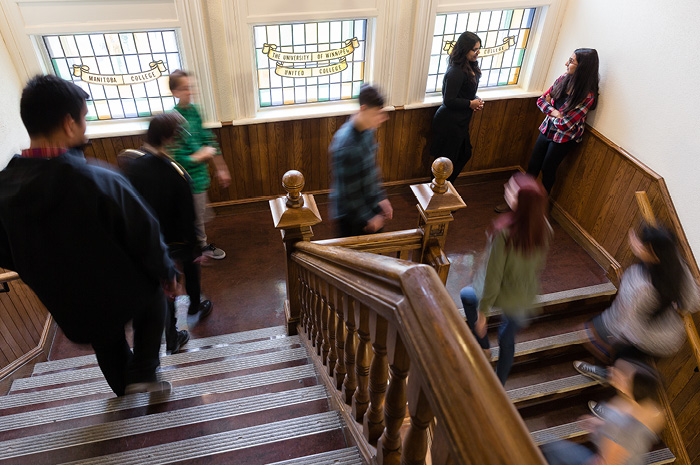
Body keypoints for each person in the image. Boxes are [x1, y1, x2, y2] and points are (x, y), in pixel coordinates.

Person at [0, 75, 176, 396]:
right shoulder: (96, 178)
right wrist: (166, 271)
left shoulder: (3, 188)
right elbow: (144, 232)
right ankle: (145, 372)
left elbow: (5, 250)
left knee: (105, 338)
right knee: (153, 296)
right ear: (69, 123)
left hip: (71, 306)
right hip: (122, 290)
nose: (85, 129)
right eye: (83, 120)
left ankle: (124, 386)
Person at [121, 113, 215, 354]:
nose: (179, 139)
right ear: (167, 138)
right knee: (186, 272)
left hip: (148, 241)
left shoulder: (133, 167)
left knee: (163, 284)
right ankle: (194, 306)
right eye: (177, 135)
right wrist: (196, 248)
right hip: (177, 239)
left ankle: (172, 335)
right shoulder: (175, 173)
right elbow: (187, 216)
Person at [574, 225, 699, 383]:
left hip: (643, 337)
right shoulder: (678, 267)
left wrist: (597, 334)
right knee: (627, 366)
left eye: (640, 242)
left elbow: (622, 320)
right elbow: (693, 303)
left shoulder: (640, 284)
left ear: (653, 254)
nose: (634, 241)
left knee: (621, 363)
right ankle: (610, 377)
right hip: (670, 338)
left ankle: (609, 383)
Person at [460, 173, 551, 385]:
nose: (505, 188)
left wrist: (483, 313)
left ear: (521, 202)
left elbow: (493, 278)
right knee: (507, 339)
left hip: (504, 292)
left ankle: (483, 346)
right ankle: (499, 384)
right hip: (524, 296)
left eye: (511, 189)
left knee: (466, 295)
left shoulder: (504, 232)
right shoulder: (544, 227)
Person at [496, 48, 599, 212]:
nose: (566, 63)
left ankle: (537, 212)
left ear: (583, 68)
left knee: (548, 170)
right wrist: (554, 112)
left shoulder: (587, 96)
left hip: (565, 137)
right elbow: (541, 101)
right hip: (548, 128)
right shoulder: (563, 79)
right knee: (532, 166)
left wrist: (551, 110)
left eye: (572, 61)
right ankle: (516, 204)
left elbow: (565, 125)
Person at [542, 358, 665, 465]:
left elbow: (607, 462)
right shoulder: (652, 410)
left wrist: (606, 430)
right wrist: (600, 426)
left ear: (629, 387)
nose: (612, 370)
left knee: (547, 444)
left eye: (622, 374)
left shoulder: (618, 422)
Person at [169, 69, 231, 259]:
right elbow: (175, 157)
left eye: (191, 87)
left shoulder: (195, 111)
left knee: (199, 215)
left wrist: (221, 168)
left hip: (201, 177)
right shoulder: (172, 118)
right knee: (195, 218)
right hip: (186, 179)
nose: (190, 92)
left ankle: (197, 247)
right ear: (175, 92)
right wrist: (199, 156)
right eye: (184, 88)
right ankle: (199, 249)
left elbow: (208, 139)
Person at [329, 84, 393, 237]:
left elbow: (371, 169)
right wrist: (368, 217)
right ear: (363, 109)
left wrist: (381, 197)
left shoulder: (367, 130)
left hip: (368, 205)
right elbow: (350, 192)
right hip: (351, 216)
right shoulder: (346, 145)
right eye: (377, 113)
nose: (383, 118)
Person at [430, 31, 484, 184]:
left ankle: (446, 186)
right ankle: (436, 192)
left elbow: (465, 92)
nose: (477, 53)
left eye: (479, 48)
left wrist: (475, 99)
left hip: (460, 121)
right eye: (474, 49)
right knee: (443, 161)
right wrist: (470, 104)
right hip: (449, 122)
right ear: (464, 49)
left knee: (464, 154)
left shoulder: (470, 66)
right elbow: (449, 100)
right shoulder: (455, 71)